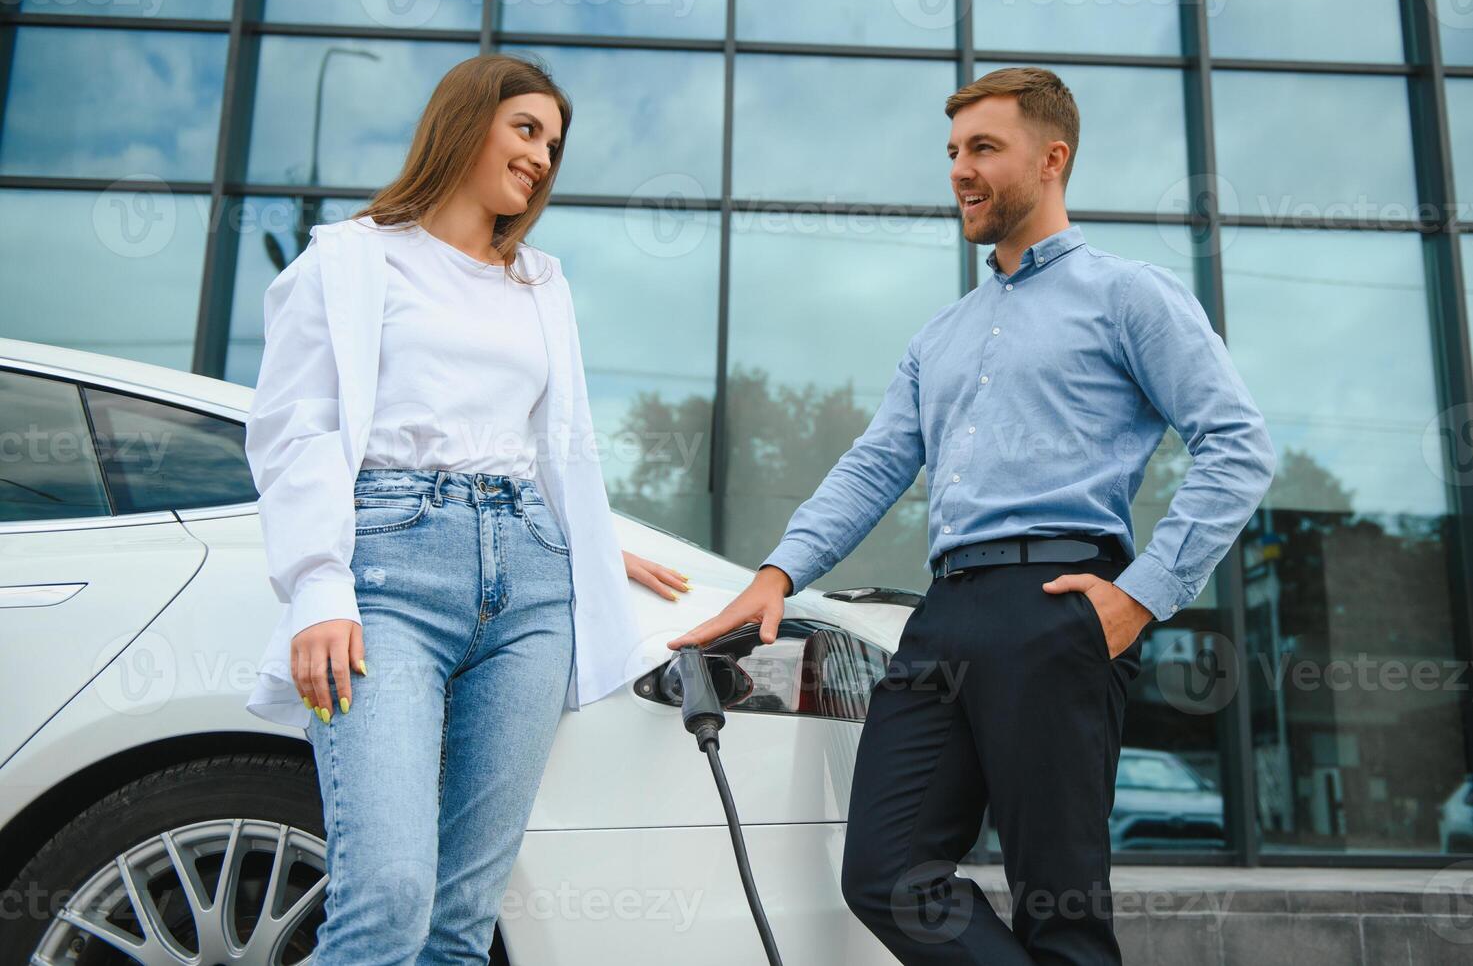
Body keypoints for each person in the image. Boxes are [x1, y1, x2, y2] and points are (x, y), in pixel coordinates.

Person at [668, 66, 1276, 965]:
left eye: (983, 148)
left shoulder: (1127, 296)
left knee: (1057, 908)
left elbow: (1237, 446)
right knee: (885, 874)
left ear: (1052, 158)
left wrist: (1140, 596)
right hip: (943, 615)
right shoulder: (939, 336)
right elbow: (873, 465)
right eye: (953, 151)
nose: (959, 169)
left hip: (1060, 607)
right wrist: (776, 572)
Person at [243, 53, 690, 964]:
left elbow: (560, 449)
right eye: (525, 130)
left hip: (530, 583)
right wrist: (317, 586)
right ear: (464, 121)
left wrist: (601, 551)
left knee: (460, 924)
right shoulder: (350, 260)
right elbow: (297, 434)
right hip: (390, 570)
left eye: (553, 146)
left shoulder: (539, 284)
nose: (540, 159)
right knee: (388, 896)